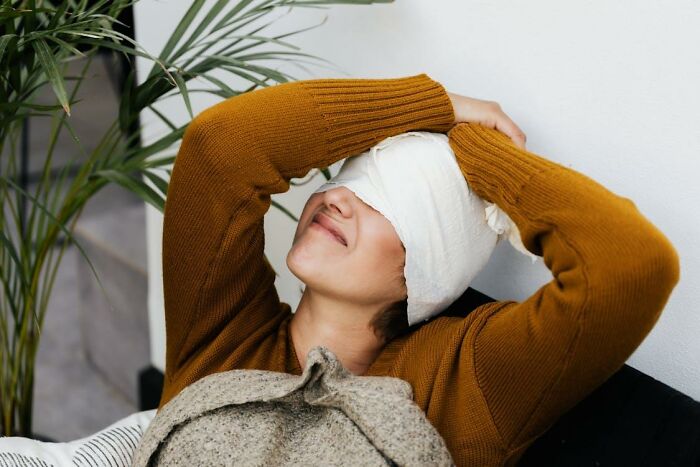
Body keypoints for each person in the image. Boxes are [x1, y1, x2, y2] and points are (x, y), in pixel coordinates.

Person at [157, 73, 680, 466]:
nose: (338, 198)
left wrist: (480, 153)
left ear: (430, 269)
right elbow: (222, 145)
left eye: (385, 202)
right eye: (346, 180)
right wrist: (440, 105)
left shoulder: (457, 387)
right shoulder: (223, 331)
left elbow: (630, 265)